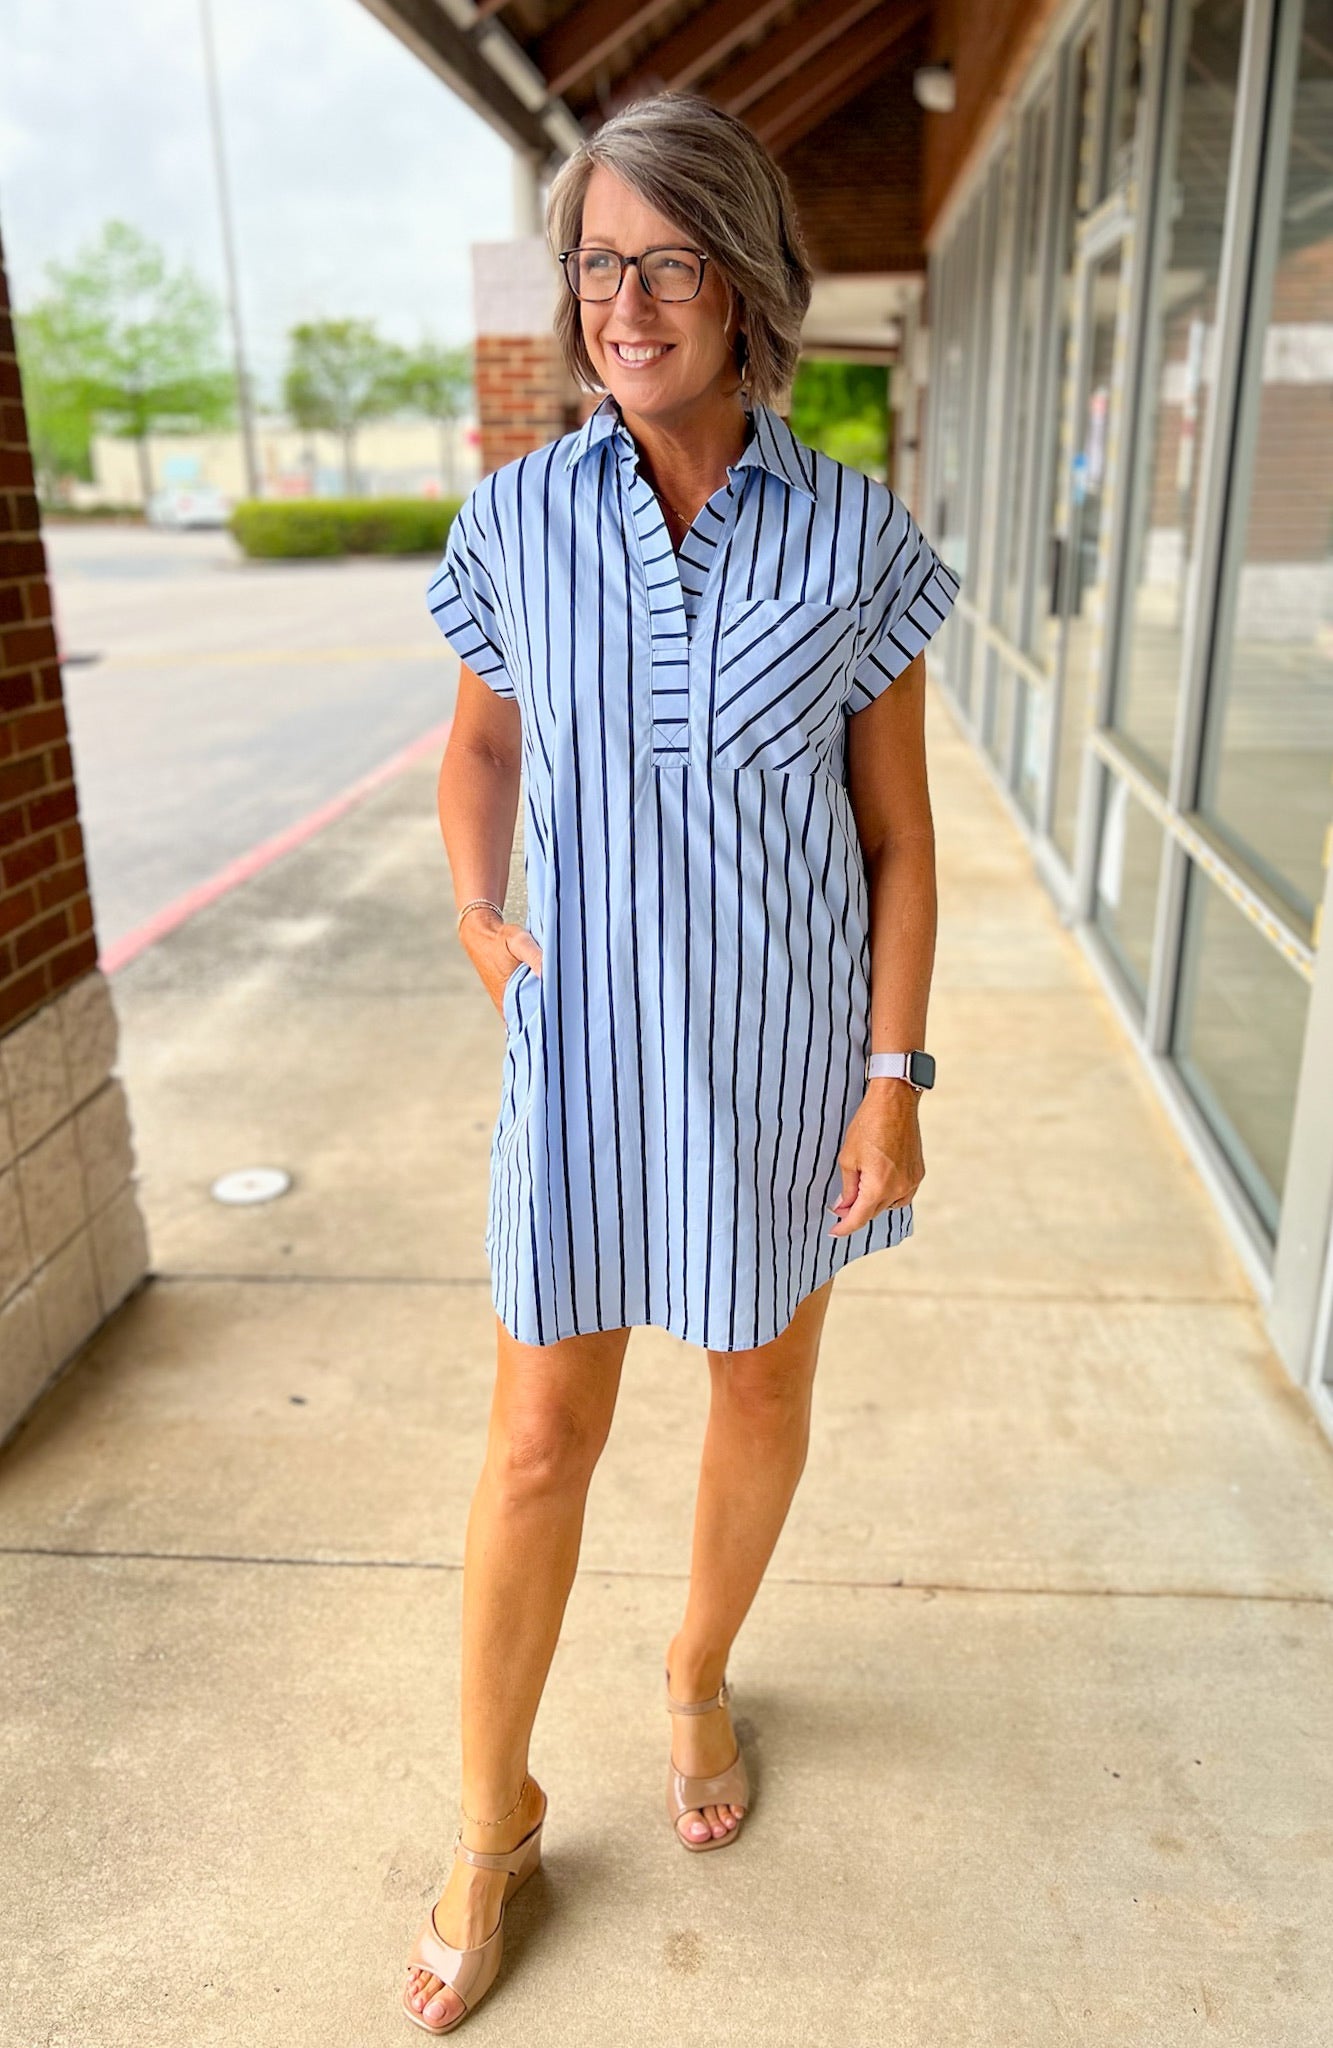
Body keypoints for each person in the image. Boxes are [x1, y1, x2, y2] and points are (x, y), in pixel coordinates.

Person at [403, 89, 960, 2035]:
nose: (623, 298)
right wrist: (484, 918)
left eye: (663, 257)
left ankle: (698, 1666)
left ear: (746, 283)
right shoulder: (521, 520)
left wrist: (890, 1073)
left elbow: (896, 837)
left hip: (783, 1066)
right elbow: (479, 752)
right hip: (584, 1064)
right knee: (538, 1437)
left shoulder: (855, 538)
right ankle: (490, 1819)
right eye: (596, 262)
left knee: (750, 1388)